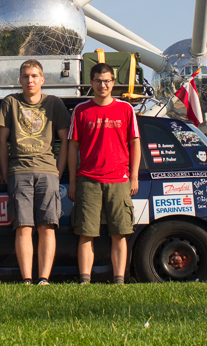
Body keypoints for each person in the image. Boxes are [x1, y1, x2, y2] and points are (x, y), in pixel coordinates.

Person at [0, 59, 70, 285]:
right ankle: (27, 278)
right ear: (19, 79)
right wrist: (4, 170)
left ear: (42, 79)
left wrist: (58, 170)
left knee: (47, 227)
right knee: (23, 226)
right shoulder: (10, 102)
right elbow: (1, 139)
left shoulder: (54, 103)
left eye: (34, 76)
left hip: (47, 172)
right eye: (26, 76)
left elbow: (66, 140)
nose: (30, 80)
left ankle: (44, 278)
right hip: (19, 172)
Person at [67, 61, 140, 285]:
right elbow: (72, 147)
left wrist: (134, 176)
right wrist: (73, 181)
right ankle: (85, 280)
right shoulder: (81, 110)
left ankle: (119, 279)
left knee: (119, 233)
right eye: (98, 81)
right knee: (86, 233)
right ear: (91, 83)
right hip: (88, 180)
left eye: (107, 81)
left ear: (113, 82)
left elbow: (135, 143)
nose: (103, 85)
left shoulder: (126, 109)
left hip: (119, 179)